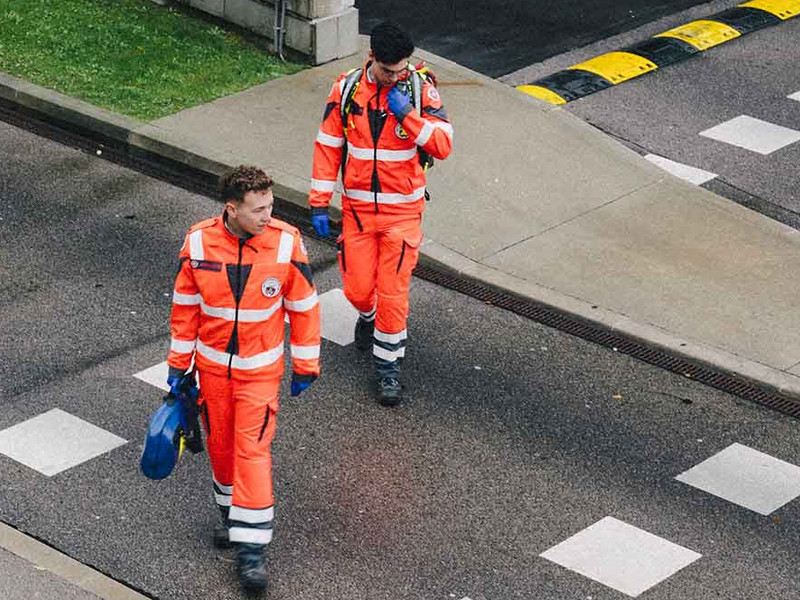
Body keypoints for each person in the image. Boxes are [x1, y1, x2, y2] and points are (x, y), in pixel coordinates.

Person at [166, 165, 321, 592]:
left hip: (260, 373)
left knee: (251, 451)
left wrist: (306, 363)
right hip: (213, 371)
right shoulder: (199, 242)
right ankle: (231, 517)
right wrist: (178, 366)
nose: (268, 216)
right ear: (232, 209)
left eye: (270, 206)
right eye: (258, 209)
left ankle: (252, 550)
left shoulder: (286, 242)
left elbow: (304, 307)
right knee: (221, 448)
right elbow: (185, 308)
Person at [308, 20, 453, 406]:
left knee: (392, 294)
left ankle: (388, 368)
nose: (396, 77)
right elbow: (328, 145)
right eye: (389, 71)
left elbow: (442, 145)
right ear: (371, 57)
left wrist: (409, 117)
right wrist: (319, 200)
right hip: (357, 213)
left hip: (402, 215)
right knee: (357, 290)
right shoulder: (346, 89)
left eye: (401, 70)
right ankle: (368, 316)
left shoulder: (420, 90)